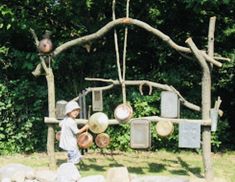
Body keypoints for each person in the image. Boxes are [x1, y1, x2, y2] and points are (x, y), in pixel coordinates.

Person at [59, 100, 89, 164]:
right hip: (71, 145)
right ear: (69, 112)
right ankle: (70, 172)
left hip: (67, 144)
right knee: (73, 161)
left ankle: (69, 170)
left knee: (71, 159)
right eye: (73, 110)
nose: (76, 112)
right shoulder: (71, 122)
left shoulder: (66, 119)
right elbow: (77, 132)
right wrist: (85, 127)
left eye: (77, 110)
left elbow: (60, 124)